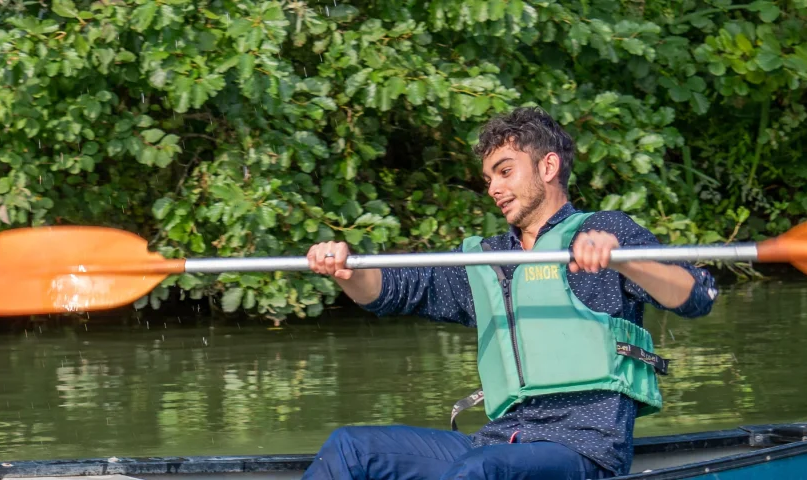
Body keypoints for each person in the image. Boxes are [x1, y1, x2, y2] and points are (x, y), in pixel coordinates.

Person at [300, 107, 718, 479]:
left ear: (548, 166)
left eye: (505, 171)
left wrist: (624, 260)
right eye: (488, 179)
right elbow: (391, 290)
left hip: (580, 449)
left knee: (481, 470)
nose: (493, 189)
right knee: (350, 448)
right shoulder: (489, 259)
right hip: (499, 442)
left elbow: (697, 297)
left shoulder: (607, 231)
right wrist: (343, 268)